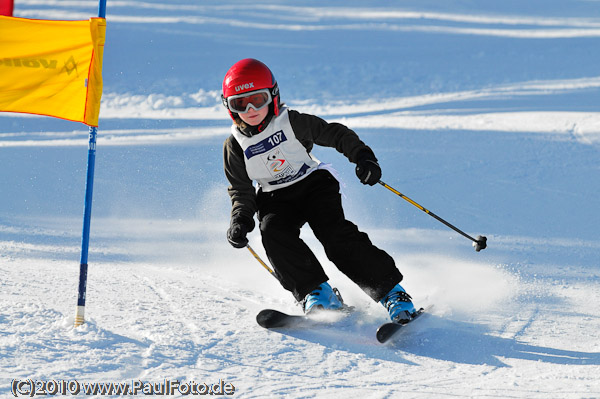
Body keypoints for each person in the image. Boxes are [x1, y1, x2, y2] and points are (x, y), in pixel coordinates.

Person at [221, 58, 417, 323]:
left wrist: (362, 156)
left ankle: (392, 293)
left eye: (258, 99)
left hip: (313, 184)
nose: (252, 109)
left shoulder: (291, 122)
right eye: (240, 104)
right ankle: (317, 293)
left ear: (273, 96)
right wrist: (241, 219)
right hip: (275, 197)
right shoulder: (235, 146)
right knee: (273, 233)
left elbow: (334, 134)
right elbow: (241, 191)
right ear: (230, 107)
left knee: (334, 234)